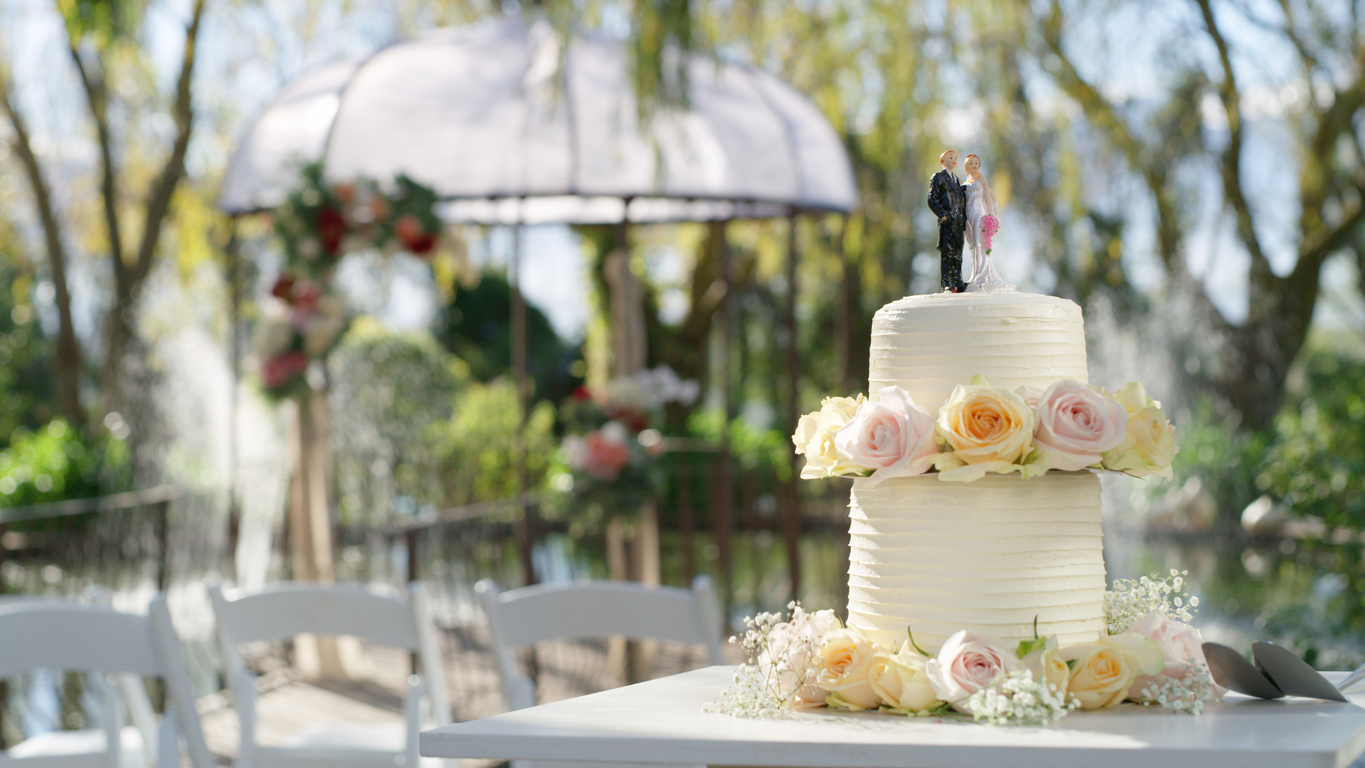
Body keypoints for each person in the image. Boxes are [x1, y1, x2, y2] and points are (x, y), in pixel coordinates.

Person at [962, 154, 1013, 292]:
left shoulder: (982, 181)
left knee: (980, 242)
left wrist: (991, 215)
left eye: (976, 163)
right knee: (972, 245)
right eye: (971, 163)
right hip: (968, 215)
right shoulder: (964, 185)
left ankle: (982, 274)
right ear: (966, 166)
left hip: (978, 213)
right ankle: (974, 274)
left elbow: (987, 198)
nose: (974, 165)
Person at [927, 149, 967, 293]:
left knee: (958, 252)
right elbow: (932, 199)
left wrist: (964, 220)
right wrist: (943, 215)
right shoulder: (938, 177)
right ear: (943, 160)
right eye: (951, 157)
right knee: (947, 252)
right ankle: (947, 283)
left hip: (958, 223)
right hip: (948, 222)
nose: (954, 159)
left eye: (956, 157)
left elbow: (962, 202)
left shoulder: (957, 181)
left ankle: (958, 280)